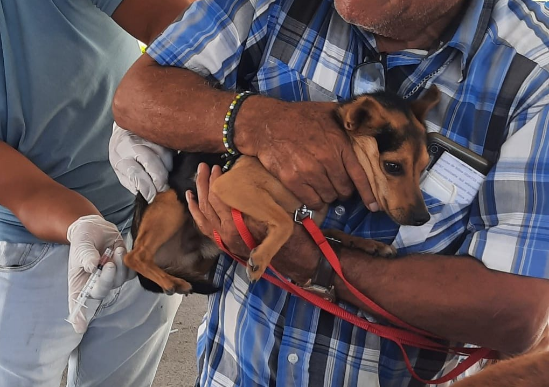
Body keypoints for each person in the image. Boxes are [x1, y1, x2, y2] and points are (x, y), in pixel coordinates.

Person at [109, 0, 549, 385]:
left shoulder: (535, 72)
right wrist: (255, 122)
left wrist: (317, 263)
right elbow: (138, 94)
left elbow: (519, 313)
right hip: (228, 371)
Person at [0, 1, 190, 386]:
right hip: (27, 255)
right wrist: (83, 224)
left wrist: (164, 113)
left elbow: (182, 28)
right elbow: (26, 192)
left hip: (150, 207)